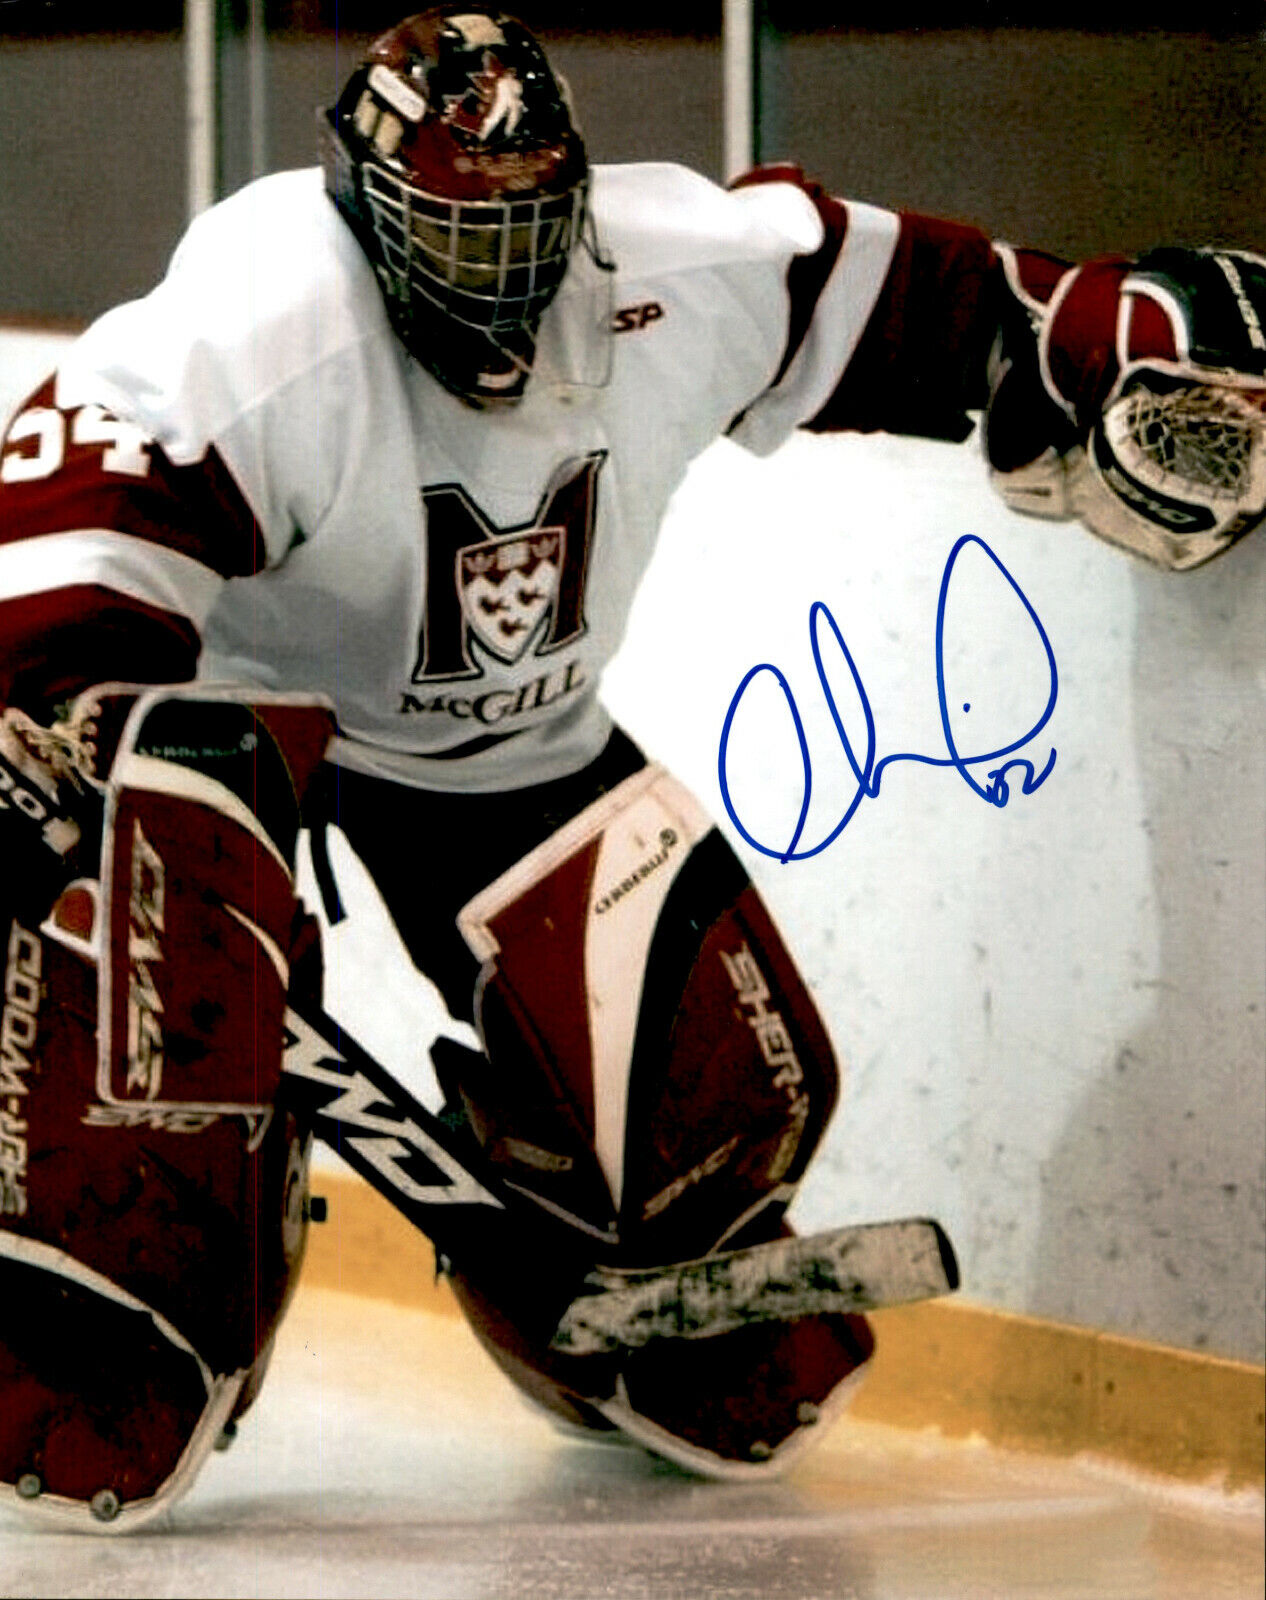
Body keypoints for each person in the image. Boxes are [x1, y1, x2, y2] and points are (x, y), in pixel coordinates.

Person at [0, 7, 1262, 1526]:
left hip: (512, 754)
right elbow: (62, 539)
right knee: (148, 879)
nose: (506, 282)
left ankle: (566, 1280)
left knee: (718, 1116)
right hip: (235, 734)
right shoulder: (263, 312)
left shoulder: (674, 262)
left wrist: (1108, 337)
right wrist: (49, 739)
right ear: (364, 205)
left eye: (533, 231)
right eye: (463, 240)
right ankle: (145, 1255)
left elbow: (959, 303)